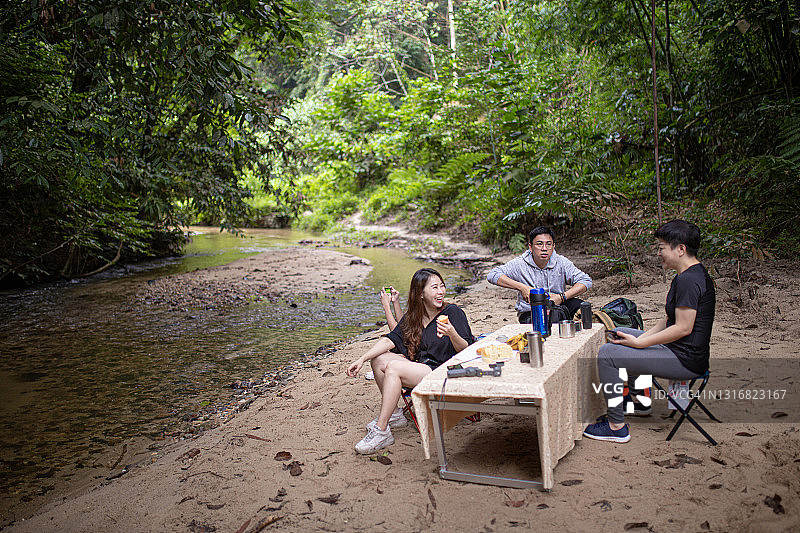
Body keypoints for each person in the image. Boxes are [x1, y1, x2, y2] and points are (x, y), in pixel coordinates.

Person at [583, 220, 716, 443]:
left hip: (686, 360)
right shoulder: (685, 275)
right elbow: (669, 320)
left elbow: (683, 328)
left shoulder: (689, 281)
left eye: (661, 248)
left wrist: (640, 344)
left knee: (607, 354)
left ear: (680, 249)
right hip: (677, 350)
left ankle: (616, 427)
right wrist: (641, 338)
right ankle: (639, 402)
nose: (658, 253)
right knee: (619, 333)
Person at [347, 268, 474, 454]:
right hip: (423, 368)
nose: (441, 291)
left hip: (445, 371)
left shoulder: (453, 312)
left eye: (442, 286)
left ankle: (381, 430)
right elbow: (391, 339)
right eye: (434, 287)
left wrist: (452, 333)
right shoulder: (414, 317)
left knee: (394, 367)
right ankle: (395, 415)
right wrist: (362, 358)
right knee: (378, 359)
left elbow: (467, 350)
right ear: (420, 293)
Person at [487, 226, 592, 323]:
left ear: (553, 246)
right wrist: (522, 288)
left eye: (548, 244)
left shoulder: (561, 262)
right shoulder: (520, 264)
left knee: (582, 308)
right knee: (545, 322)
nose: (544, 248)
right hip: (530, 311)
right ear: (530, 247)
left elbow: (585, 281)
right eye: (539, 244)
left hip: (557, 305)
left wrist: (561, 297)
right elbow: (493, 275)